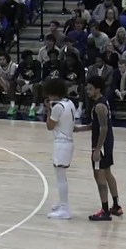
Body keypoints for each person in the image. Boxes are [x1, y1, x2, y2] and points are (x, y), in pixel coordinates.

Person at [75, 76, 123, 221]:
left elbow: (103, 128)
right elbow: (95, 125)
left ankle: (105, 210)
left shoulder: (99, 106)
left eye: (90, 89)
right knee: (108, 174)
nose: (87, 91)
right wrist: (79, 129)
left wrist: (97, 149)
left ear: (98, 89)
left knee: (99, 177)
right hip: (107, 143)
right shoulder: (101, 103)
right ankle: (116, 206)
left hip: (101, 145)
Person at [43, 79, 76, 220]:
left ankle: (65, 208)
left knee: (60, 177)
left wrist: (48, 109)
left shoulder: (57, 107)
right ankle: (62, 203)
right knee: (61, 176)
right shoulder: (70, 103)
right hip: (68, 141)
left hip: (61, 143)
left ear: (54, 93)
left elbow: (49, 126)